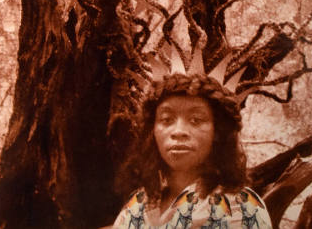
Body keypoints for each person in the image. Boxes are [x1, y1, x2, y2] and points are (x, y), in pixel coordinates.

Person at [112, 72, 272, 229]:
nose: (178, 131)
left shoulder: (242, 207)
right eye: (166, 120)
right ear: (152, 131)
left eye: (196, 120)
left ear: (217, 132)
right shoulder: (139, 203)